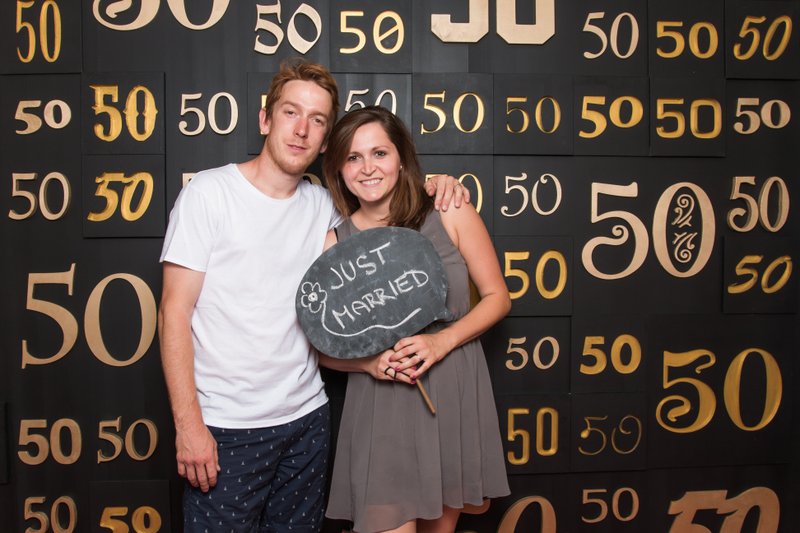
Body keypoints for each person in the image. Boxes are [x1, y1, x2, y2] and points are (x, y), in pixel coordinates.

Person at [157, 59, 468, 532]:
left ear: (326, 143)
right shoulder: (209, 193)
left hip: (307, 424)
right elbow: (173, 313)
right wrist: (188, 426)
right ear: (265, 119)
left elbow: (387, 203)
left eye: (317, 120)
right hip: (225, 428)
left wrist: (437, 185)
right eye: (290, 112)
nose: (301, 129)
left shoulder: (326, 207)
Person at [318, 106, 511, 533]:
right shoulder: (335, 244)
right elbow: (321, 347)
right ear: (339, 170)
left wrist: (442, 342)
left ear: (401, 158)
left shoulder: (449, 210)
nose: (368, 168)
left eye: (379, 153)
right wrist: (369, 364)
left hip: (452, 391)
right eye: (353, 157)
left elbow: (498, 298)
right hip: (382, 405)